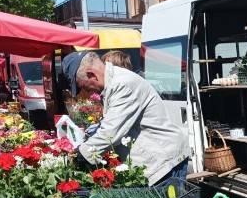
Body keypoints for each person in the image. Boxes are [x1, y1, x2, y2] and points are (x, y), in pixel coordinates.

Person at [61, 51, 189, 185]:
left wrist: (80, 155)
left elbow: (111, 130)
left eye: (83, 86)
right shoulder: (113, 83)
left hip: (164, 160)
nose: (86, 92)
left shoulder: (122, 84)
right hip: (157, 159)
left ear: (92, 75)